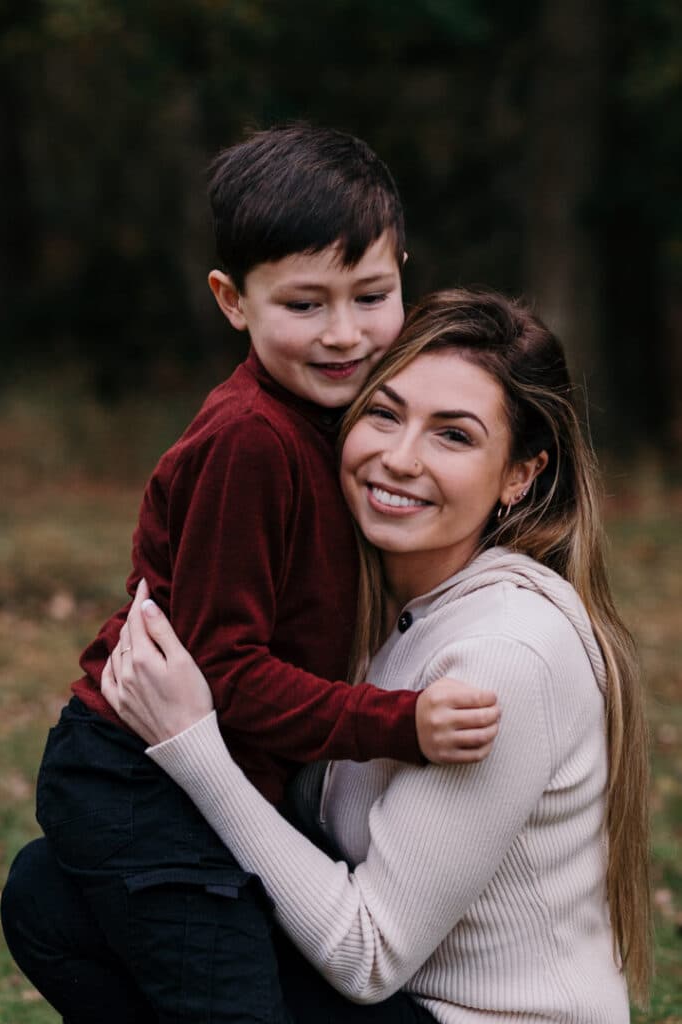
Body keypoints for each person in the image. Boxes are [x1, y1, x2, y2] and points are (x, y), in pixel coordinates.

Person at [1, 126, 498, 1024]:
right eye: (304, 305)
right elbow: (223, 674)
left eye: (371, 294)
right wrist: (398, 723)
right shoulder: (251, 441)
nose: (344, 333)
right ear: (233, 301)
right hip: (141, 778)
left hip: (219, 781)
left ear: (403, 273)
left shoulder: (336, 421)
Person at [98, 289, 651, 1020]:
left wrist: (192, 744)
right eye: (385, 414)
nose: (397, 458)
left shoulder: (505, 653)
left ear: (519, 475)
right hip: (392, 1002)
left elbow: (368, 954)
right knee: (63, 891)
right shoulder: (362, 610)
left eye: (452, 436)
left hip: (463, 1013)